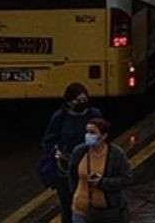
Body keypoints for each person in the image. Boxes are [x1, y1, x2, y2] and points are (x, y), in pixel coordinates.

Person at [42, 82, 103, 223]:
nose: (82, 103)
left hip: (90, 165)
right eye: (78, 100)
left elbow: (103, 137)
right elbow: (49, 140)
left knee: (90, 203)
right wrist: (55, 153)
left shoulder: (94, 114)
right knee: (67, 204)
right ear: (69, 102)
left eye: (84, 99)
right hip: (67, 168)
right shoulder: (60, 117)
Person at [68, 117, 132, 223]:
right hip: (80, 212)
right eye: (87, 132)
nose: (88, 136)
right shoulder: (79, 152)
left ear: (104, 136)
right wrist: (75, 194)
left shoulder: (116, 155)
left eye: (92, 132)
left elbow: (126, 179)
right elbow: (72, 176)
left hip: (107, 214)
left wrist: (102, 182)